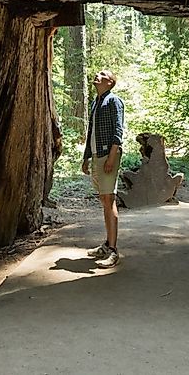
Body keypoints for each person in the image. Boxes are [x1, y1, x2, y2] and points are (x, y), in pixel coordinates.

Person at [81, 70, 124, 268]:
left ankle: (113, 251)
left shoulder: (114, 101)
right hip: (97, 156)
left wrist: (111, 158)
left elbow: (118, 131)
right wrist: (86, 158)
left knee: (109, 199)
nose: (97, 75)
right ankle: (107, 244)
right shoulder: (95, 103)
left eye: (102, 74)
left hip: (108, 155)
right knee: (103, 199)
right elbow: (91, 133)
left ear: (110, 82)